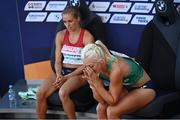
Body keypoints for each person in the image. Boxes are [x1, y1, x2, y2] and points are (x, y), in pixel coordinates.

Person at [36, 6, 94, 119]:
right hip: (63, 70)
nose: (67, 25)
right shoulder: (60, 35)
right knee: (40, 94)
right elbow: (58, 60)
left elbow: (87, 64)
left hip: (79, 73)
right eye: (65, 22)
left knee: (63, 93)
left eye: (70, 21)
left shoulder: (87, 36)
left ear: (78, 19)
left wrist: (67, 77)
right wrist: (58, 74)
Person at [81, 40, 156, 119]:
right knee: (100, 108)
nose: (89, 69)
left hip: (145, 87)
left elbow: (112, 101)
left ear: (101, 61)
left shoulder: (116, 69)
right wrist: (92, 84)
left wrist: (97, 84)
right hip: (126, 87)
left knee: (112, 111)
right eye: (86, 66)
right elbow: (102, 101)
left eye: (91, 66)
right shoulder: (97, 68)